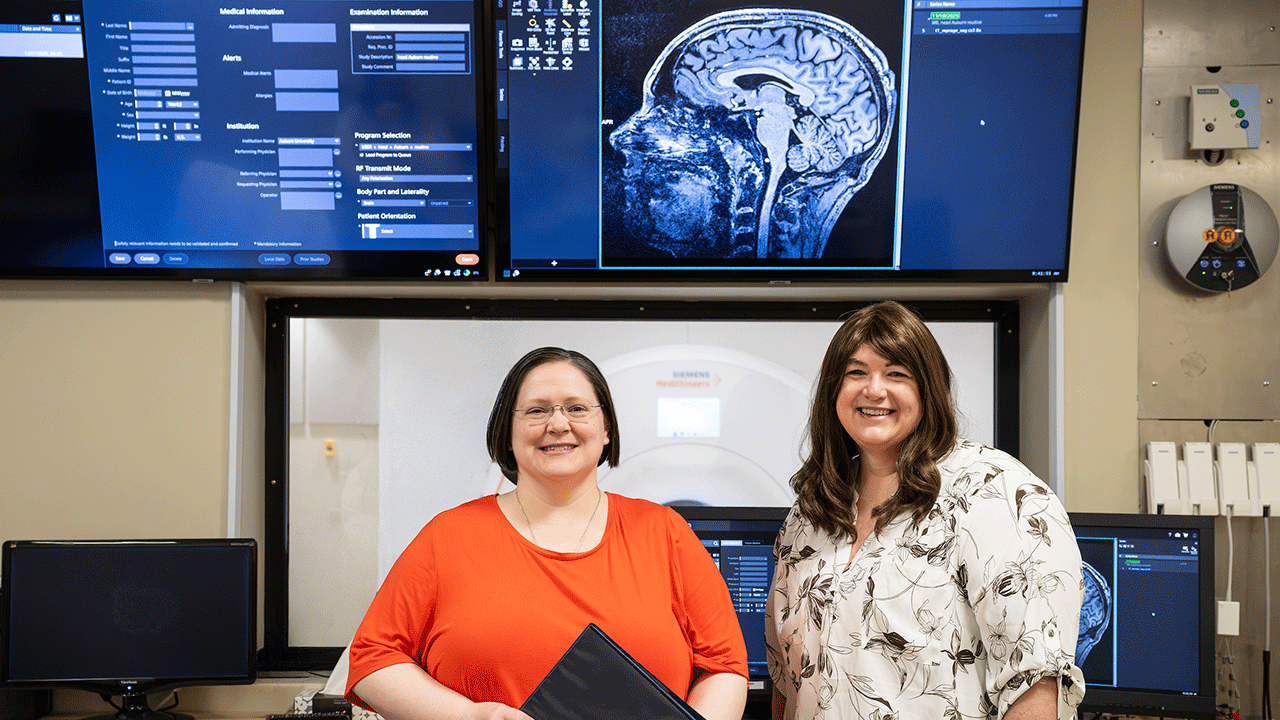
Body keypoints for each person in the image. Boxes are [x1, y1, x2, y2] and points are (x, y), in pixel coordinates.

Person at [345, 346, 749, 720]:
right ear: (507, 430)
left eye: (576, 408)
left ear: (606, 428)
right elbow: (373, 659)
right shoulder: (447, 536)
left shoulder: (665, 533)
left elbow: (725, 666)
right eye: (536, 411)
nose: (558, 424)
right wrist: (473, 716)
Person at [765, 301, 1084, 720]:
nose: (873, 389)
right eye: (856, 372)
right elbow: (787, 683)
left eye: (896, 373)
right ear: (833, 391)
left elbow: (1035, 684)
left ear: (928, 389)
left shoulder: (996, 492)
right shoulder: (811, 514)